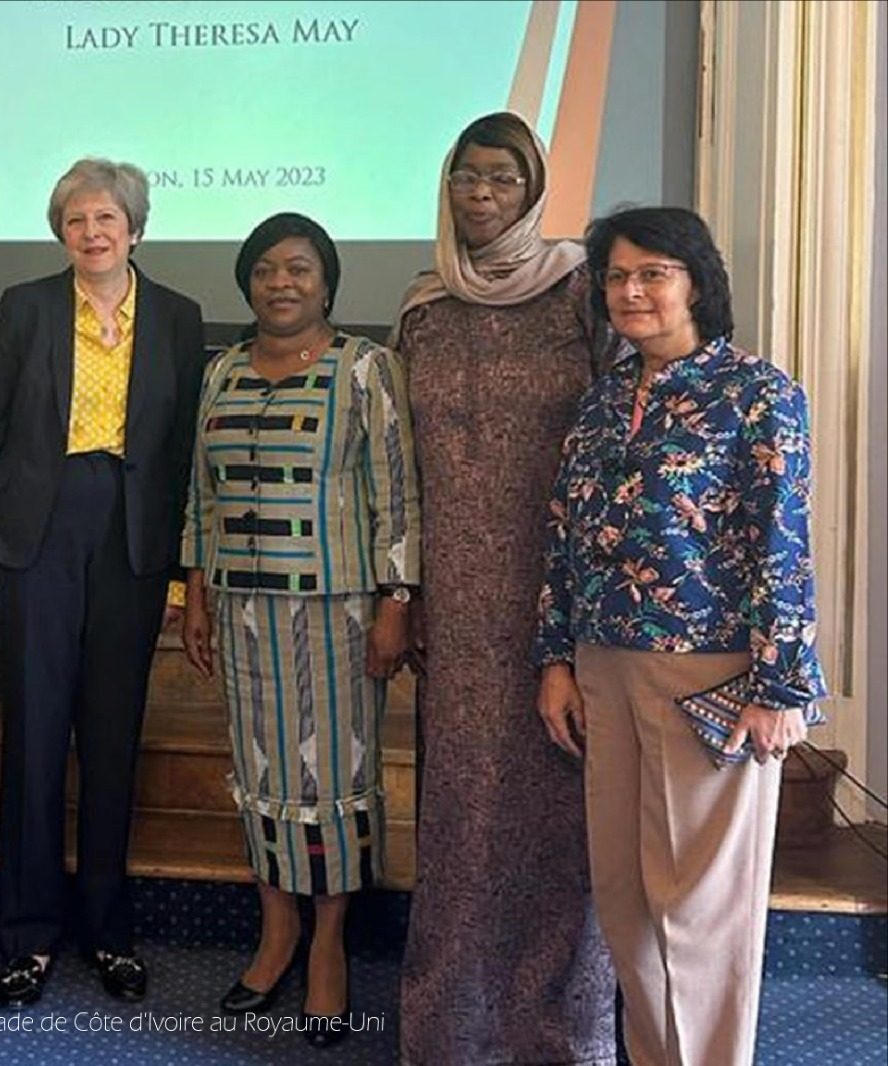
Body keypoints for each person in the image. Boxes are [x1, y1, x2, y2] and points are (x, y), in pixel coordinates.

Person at [535, 206, 826, 1066]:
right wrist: (556, 660)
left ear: (697, 280)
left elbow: (784, 542)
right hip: (604, 670)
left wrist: (781, 688)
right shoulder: (598, 402)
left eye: (653, 273)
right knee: (626, 904)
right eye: (617, 276)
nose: (631, 291)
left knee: (697, 916)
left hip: (712, 679)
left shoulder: (758, 393)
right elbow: (563, 536)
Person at [0, 157, 206, 1008]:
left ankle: (108, 928)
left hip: (131, 540)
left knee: (110, 739)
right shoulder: (26, 308)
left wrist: (176, 575)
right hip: (34, 534)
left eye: (106, 218)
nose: (92, 233)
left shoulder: (176, 316)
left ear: (135, 226)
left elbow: (179, 462)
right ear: (60, 230)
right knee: (32, 736)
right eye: (76, 220)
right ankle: (24, 935)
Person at [394, 112, 618, 1064]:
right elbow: (398, 464)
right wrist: (402, 591)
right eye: (465, 176)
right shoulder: (422, 306)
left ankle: (559, 1032)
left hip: (562, 592)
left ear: (532, 187)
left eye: (502, 178)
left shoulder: (582, 293)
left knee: (562, 813)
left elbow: (617, 444)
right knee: (465, 814)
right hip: (455, 597)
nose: (480, 194)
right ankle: (454, 1032)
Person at [179, 212, 421, 1049]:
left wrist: (397, 599)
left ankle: (327, 944)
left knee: (333, 781)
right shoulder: (220, 372)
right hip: (244, 614)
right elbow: (201, 495)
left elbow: (397, 493)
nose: (282, 284)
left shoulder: (366, 369)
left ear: (327, 283)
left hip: (338, 613)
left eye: (300, 270)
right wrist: (197, 591)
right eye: (266, 270)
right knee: (260, 775)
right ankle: (275, 929)